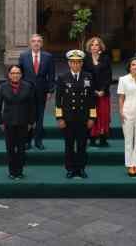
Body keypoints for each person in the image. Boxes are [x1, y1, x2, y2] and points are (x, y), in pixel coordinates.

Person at [55, 50, 97, 179]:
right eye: (73, 62)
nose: (75, 65)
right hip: (68, 118)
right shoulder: (63, 77)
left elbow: (91, 99)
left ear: (82, 63)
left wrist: (92, 117)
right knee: (69, 146)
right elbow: (58, 100)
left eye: (78, 62)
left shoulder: (88, 77)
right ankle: (70, 169)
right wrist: (60, 118)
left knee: (82, 146)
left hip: (83, 118)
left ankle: (81, 168)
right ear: (69, 63)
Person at [0, 65, 36, 179]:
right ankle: (12, 171)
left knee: (21, 148)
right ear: (9, 75)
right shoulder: (3, 87)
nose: (15, 75)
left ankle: (19, 171)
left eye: (17, 73)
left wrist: (31, 122)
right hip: (8, 123)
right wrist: (0, 122)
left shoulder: (28, 86)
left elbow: (32, 106)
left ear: (21, 74)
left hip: (23, 122)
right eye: (13, 73)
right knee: (10, 148)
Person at [17, 34, 55, 150]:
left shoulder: (48, 57)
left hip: (41, 92)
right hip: (27, 92)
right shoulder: (23, 56)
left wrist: (50, 90)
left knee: (39, 117)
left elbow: (52, 75)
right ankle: (27, 141)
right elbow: (20, 74)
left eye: (39, 41)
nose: (36, 43)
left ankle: (38, 141)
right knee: (27, 117)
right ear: (30, 43)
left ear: (42, 44)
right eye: (34, 41)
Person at [84, 37, 112, 147]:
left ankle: (103, 138)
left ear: (100, 47)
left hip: (104, 93)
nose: (94, 47)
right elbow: (84, 77)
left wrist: (103, 90)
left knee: (104, 115)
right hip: (90, 93)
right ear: (89, 47)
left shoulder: (106, 58)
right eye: (92, 45)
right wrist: (94, 91)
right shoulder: (85, 59)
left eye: (96, 45)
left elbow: (109, 76)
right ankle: (92, 138)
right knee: (91, 115)